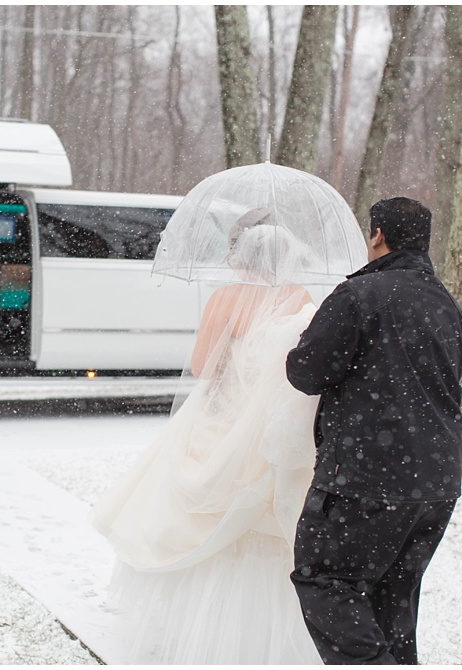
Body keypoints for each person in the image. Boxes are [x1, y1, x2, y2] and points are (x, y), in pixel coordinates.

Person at [92, 210, 324, 664]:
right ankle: (260, 638)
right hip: (270, 429)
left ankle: (190, 627)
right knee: (264, 521)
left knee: (198, 513)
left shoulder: (225, 298)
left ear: (243, 257)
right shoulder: (301, 297)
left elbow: (202, 366)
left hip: (217, 420)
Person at [285, 197, 462, 664]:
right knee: (395, 596)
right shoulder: (447, 305)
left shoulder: (359, 295)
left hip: (367, 476)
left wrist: (299, 343)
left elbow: (306, 373)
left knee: (324, 578)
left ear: (378, 237)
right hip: (437, 481)